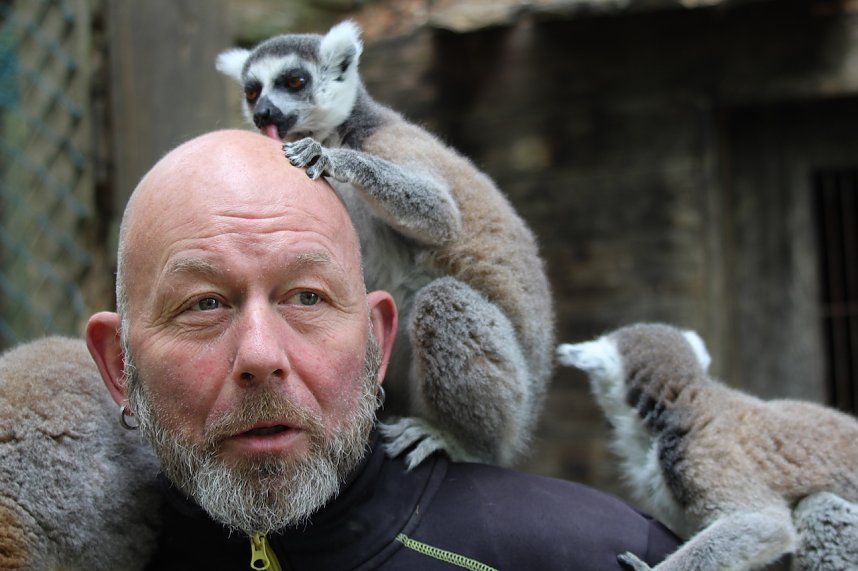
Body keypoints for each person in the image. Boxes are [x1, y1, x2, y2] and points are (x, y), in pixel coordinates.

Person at [86, 129, 680, 570]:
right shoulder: (56, 554)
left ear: (378, 342)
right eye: (205, 304)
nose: (261, 356)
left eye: (307, 297)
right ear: (119, 366)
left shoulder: (601, 556)